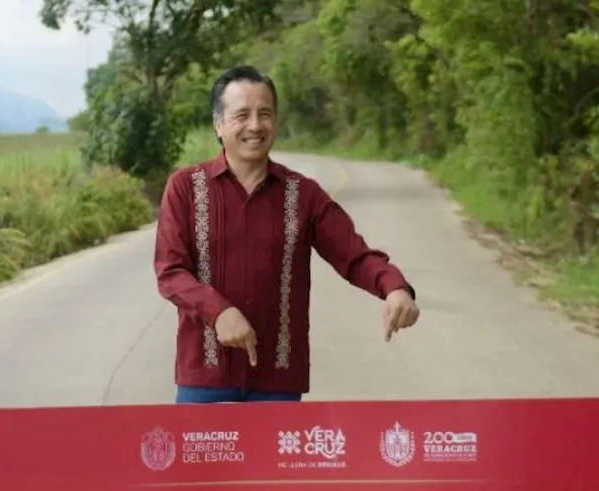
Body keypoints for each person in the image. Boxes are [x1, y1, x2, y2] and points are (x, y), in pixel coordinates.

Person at [153, 65, 420, 404]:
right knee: (199, 459)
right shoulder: (185, 188)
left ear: (275, 122)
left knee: (280, 460)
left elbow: (354, 256)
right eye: (242, 115)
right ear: (218, 125)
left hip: (277, 382)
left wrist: (394, 286)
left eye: (265, 114)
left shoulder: (303, 194)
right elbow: (170, 272)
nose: (255, 125)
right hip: (204, 378)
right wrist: (218, 311)